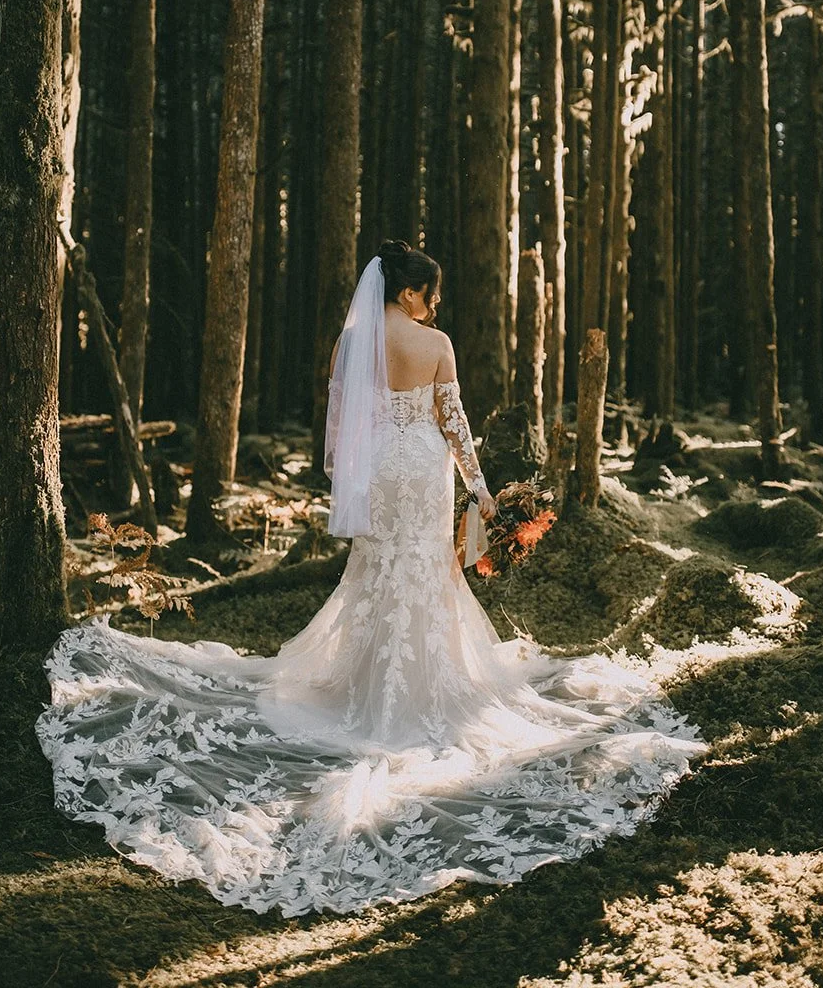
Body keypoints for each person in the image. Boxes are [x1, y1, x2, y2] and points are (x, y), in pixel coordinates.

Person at [37, 238, 706, 917]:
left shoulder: (349, 344)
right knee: (425, 576)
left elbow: (337, 430)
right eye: (430, 291)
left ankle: (363, 682)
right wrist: (481, 495)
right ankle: (419, 689)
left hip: (378, 473)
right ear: (409, 292)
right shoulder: (434, 342)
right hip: (421, 470)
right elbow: (455, 426)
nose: (434, 303)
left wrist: (351, 482)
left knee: (377, 574)